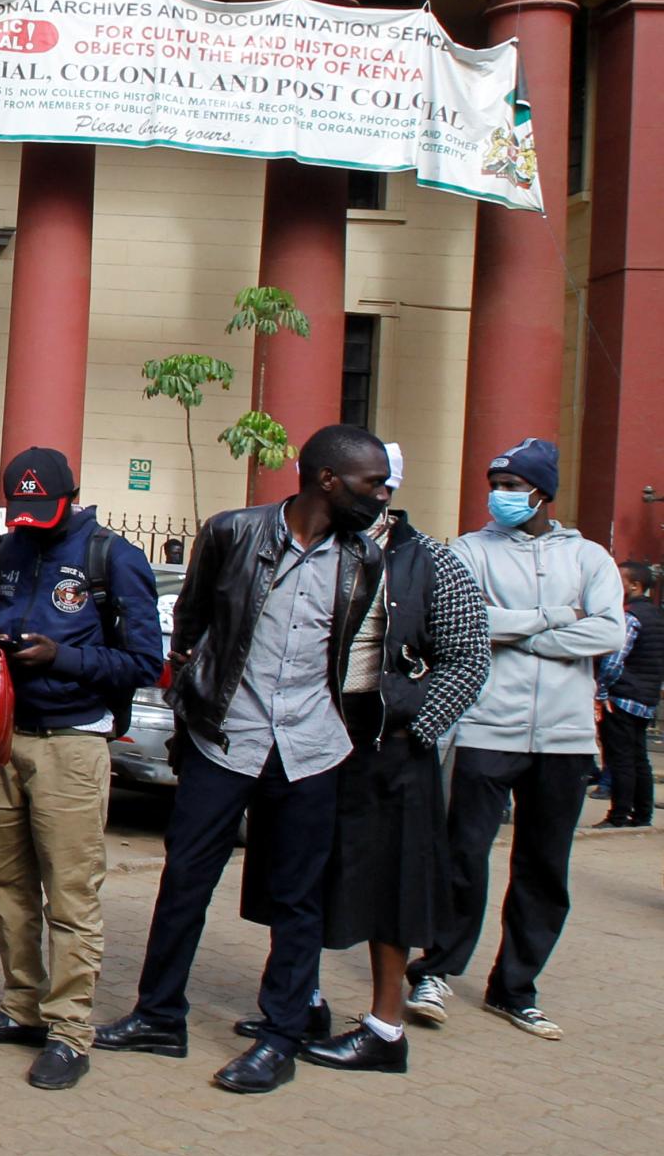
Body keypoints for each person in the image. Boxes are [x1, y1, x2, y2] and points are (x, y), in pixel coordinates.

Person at [97, 424, 394, 1095]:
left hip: (311, 748)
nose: (381, 496)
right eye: (371, 484)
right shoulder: (233, 533)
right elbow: (194, 622)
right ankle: (157, 1015)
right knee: (184, 884)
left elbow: (344, 653)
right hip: (223, 737)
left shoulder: (363, 561)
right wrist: (188, 707)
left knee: (297, 899)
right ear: (327, 480)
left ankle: (281, 1033)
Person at [0, 447, 161, 1091]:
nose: (30, 523)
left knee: (70, 893)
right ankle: (22, 1008)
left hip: (74, 743)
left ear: (71, 498)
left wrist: (62, 660)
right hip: (2, 737)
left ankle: (70, 1029)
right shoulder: (7, 551)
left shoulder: (112, 557)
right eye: (22, 512)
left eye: (43, 511)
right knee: (5, 887)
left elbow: (145, 662)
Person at [406, 439, 625, 1040]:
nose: (500, 494)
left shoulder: (590, 558)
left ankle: (515, 987)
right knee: (462, 855)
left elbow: (607, 631)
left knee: (545, 866)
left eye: (512, 484)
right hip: (485, 728)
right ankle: (436, 970)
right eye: (495, 482)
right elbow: (461, 621)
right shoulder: (469, 551)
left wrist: (518, 633)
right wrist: (553, 619)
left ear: (541, 492)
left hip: (566, 738)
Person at [293, 446, 489, 1074]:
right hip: (317, 738)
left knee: (393, 885)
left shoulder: (432, 561)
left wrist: (418, 726)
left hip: (393, 747)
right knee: (308, 872)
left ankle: (384, 1027)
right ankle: (303, 1000)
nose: (371, 496)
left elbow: (468, 657)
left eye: (381, 486)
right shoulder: (321, 549)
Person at [595, 559, 659, 828]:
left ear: (635, 585)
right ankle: (643, 814)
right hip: (646, 697)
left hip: (621, 697)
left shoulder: (630, 616)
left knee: (619, 758)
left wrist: (600, 691)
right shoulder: (656, 615)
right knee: (638, 757)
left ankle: (618, 815)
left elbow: (614, 660)